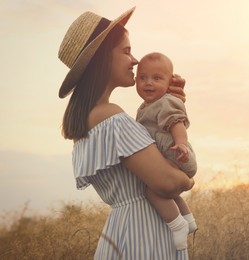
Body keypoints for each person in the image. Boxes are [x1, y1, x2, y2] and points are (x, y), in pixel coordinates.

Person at [57, 6, 194, 259]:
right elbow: (168, 182)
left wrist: (170, 105)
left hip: (124, 233)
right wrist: (188, 180)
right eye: (126, 51)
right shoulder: (111, 117)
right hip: (145, 236)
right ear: (102, 59)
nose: (135, 60)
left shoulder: (92, 120)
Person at [135, 52, 198, 250]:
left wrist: (181, 144)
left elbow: (176, 124)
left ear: (170, 82)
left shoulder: (166, 102)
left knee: (153, 190)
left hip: (177, 153)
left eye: (156, 78)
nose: (148, 83)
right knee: (168, 193)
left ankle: (177, 225)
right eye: (142, 78)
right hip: (174, 154)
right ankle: (188, 220)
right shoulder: (148, 105)